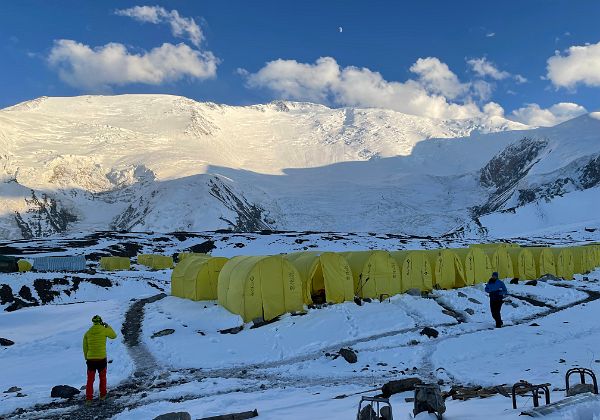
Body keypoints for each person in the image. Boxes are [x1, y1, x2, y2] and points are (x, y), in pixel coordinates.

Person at [83, 315, 117, 404]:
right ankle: (103, 395)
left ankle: (89, 398)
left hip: (91, 359)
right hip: (101, 358)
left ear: (93, 322)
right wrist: (107, 326)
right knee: (102, 377)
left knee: (90, 379)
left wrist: (87, 357)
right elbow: (114, 336)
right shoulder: (104, 330)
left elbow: (85, 347)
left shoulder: (88, 333)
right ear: (100, 321)